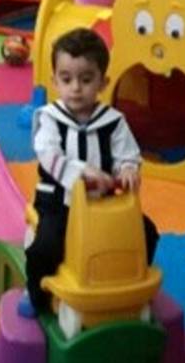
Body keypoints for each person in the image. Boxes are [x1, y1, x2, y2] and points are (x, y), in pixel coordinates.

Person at [20, 27, 158, 318]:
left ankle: (127, 281)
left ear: (102, 83)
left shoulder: (114, 121)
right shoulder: (50, 119)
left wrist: (128, 169)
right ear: (55, 81)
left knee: (146, 232)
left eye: (86, 80)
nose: (75, 88)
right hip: (59, 203)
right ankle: (35, 292)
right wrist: (82, 173)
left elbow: (127, 154)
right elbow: (48, 154)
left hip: (103, 203)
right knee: (45, 246)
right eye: (66, 79)